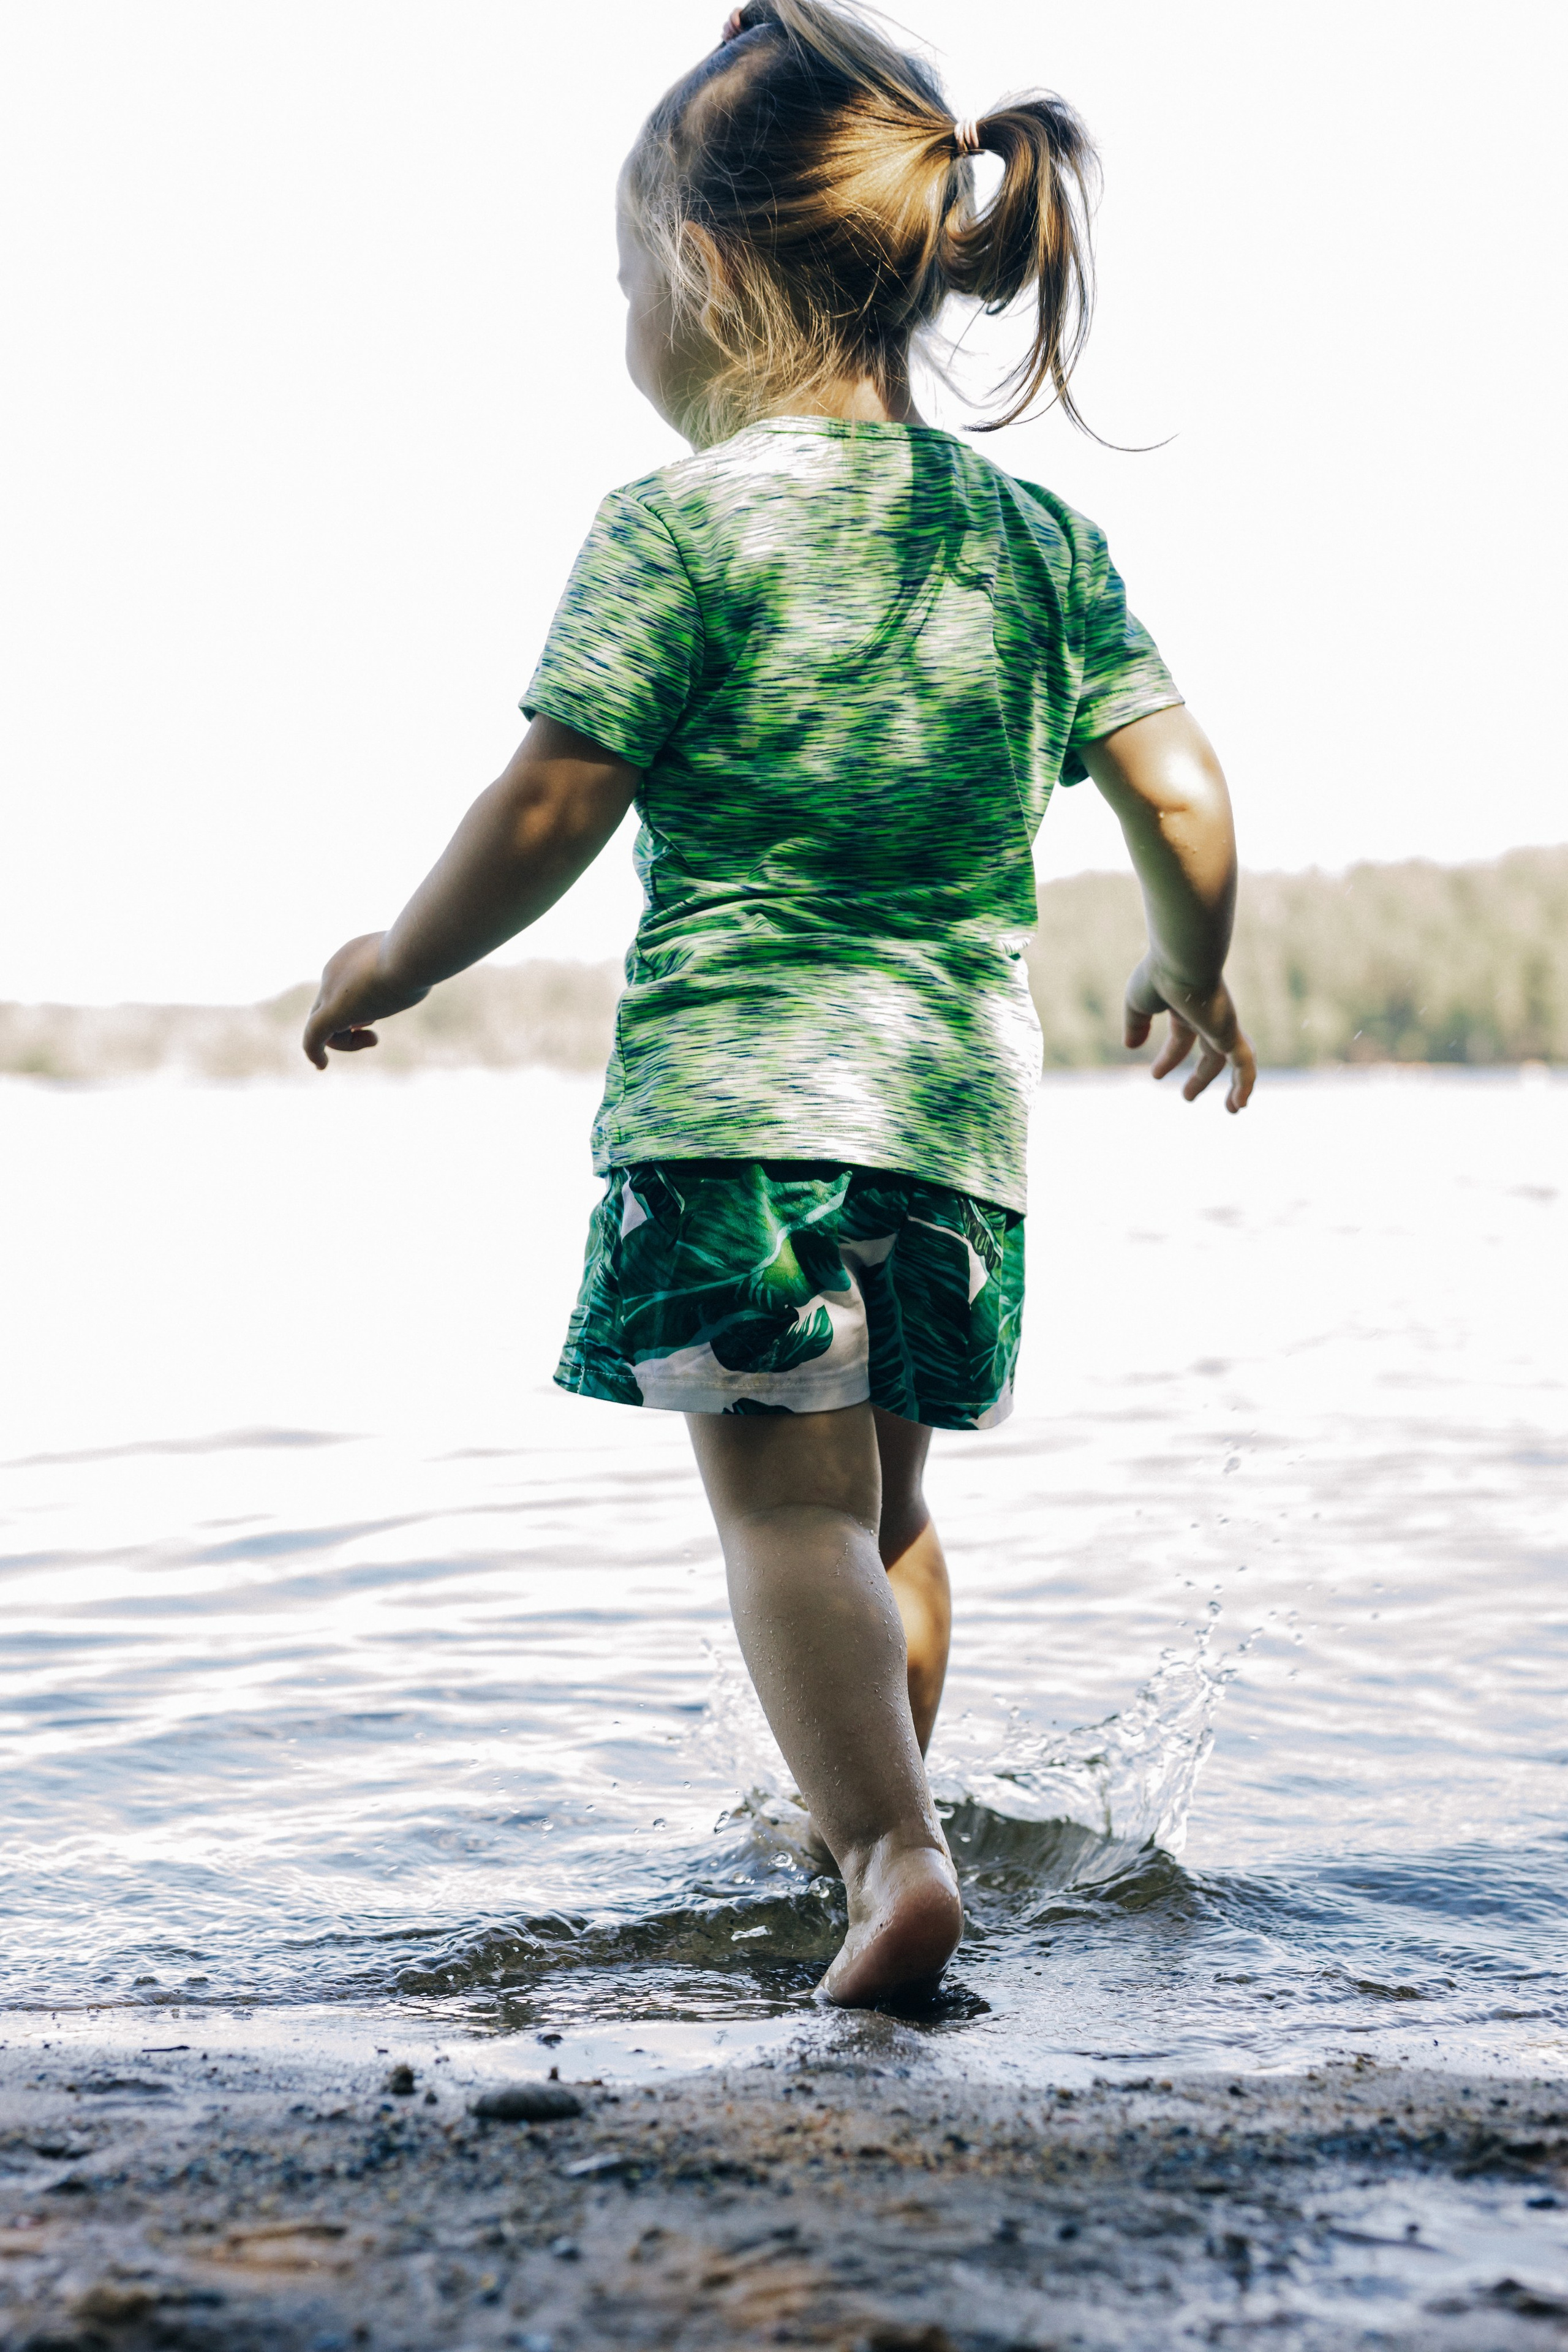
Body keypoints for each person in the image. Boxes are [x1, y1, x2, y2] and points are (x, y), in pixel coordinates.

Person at [303, 0, 1255, 2008]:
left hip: (737, 1111)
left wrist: (396, 959)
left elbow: (555, 800)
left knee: (778, 1515)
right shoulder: (1033, 536)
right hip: (953, 1132)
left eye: (624, 279)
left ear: (702, 272)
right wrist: (1191, 965)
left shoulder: (674, 526)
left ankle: (892, 1856)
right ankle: (875, 1817)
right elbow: (1178, 788)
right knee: (885, 1504)